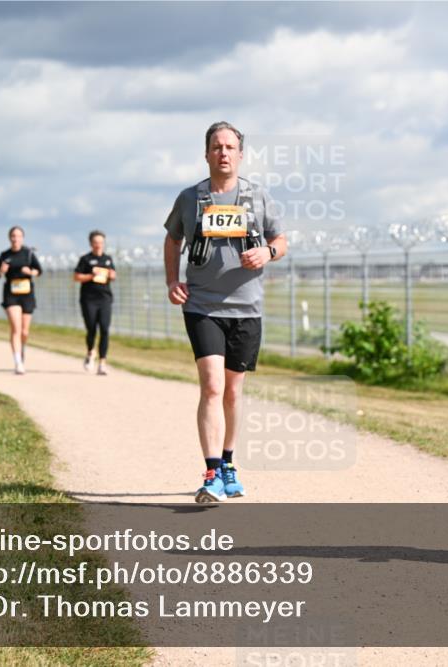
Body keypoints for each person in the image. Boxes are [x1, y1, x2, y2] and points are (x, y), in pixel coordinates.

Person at [163, 121, 287, 503]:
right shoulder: (190, 198)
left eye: (230, 147)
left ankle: (229, 465)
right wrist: (172, 280)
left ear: (240, 154)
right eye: (217, 147)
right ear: (206, 154)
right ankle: (212, 472)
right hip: (202, 306)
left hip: (246, 308)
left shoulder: (257, 196)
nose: (223, 153)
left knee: (233, 392)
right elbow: (172, 239)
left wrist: (267, 252)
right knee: (213, 386)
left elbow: (280, 240)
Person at [0, 226, 43, 374]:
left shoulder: (28, 254)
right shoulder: (5, 255)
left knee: (24, 331)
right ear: (10, 238)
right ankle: (18, 362)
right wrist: (1, 271)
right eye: (13, 236)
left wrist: (31, 272)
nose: (16, 238)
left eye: (18, 236)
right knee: (16, 327)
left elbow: (39, 271)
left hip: (27, 294)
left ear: (22, 238)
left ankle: (21, 348)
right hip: (11, 294)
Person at [73, 230, 116, 375]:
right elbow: (76, 277)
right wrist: (91, 275)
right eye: (96, 242)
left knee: (104, 329)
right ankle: (90, 352)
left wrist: (111, 275)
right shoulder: (85, 259)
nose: (98, 245)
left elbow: (113, 274)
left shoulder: (108, 259)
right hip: (89, 299)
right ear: (91, 243)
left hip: (105, 299)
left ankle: (102, 362)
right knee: (91, 328)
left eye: (101, 242)